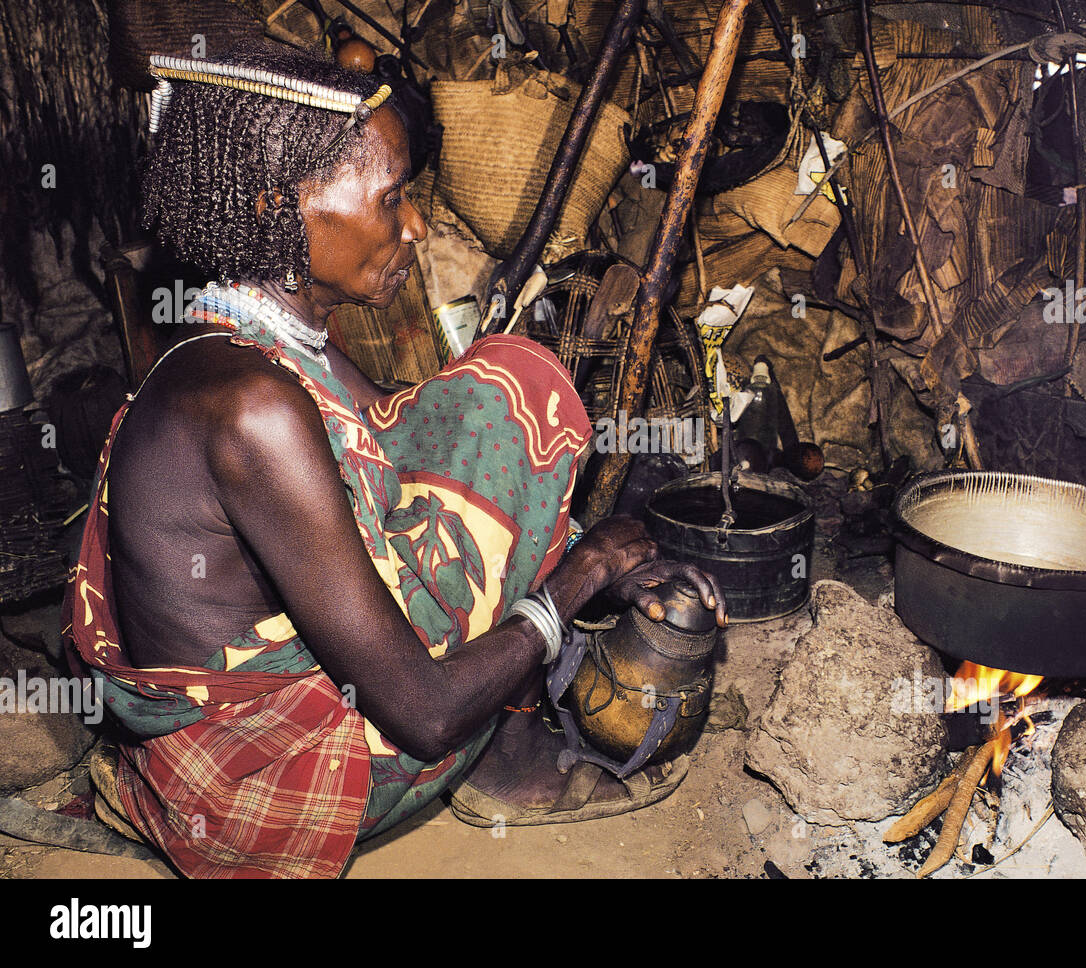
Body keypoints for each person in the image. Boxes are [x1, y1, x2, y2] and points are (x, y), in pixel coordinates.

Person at [63, 41, 725, 878]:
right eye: (392, 197)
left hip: (239, 735)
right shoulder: (252, 407)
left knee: (501, 387)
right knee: (474, 636)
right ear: (280, 207)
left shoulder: (256, 336)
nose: (415, 225)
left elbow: (402, 438)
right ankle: (509, 765)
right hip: (261, 791)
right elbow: (428, 714)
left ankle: (516, 686)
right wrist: (577, 578)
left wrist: (580, 543)